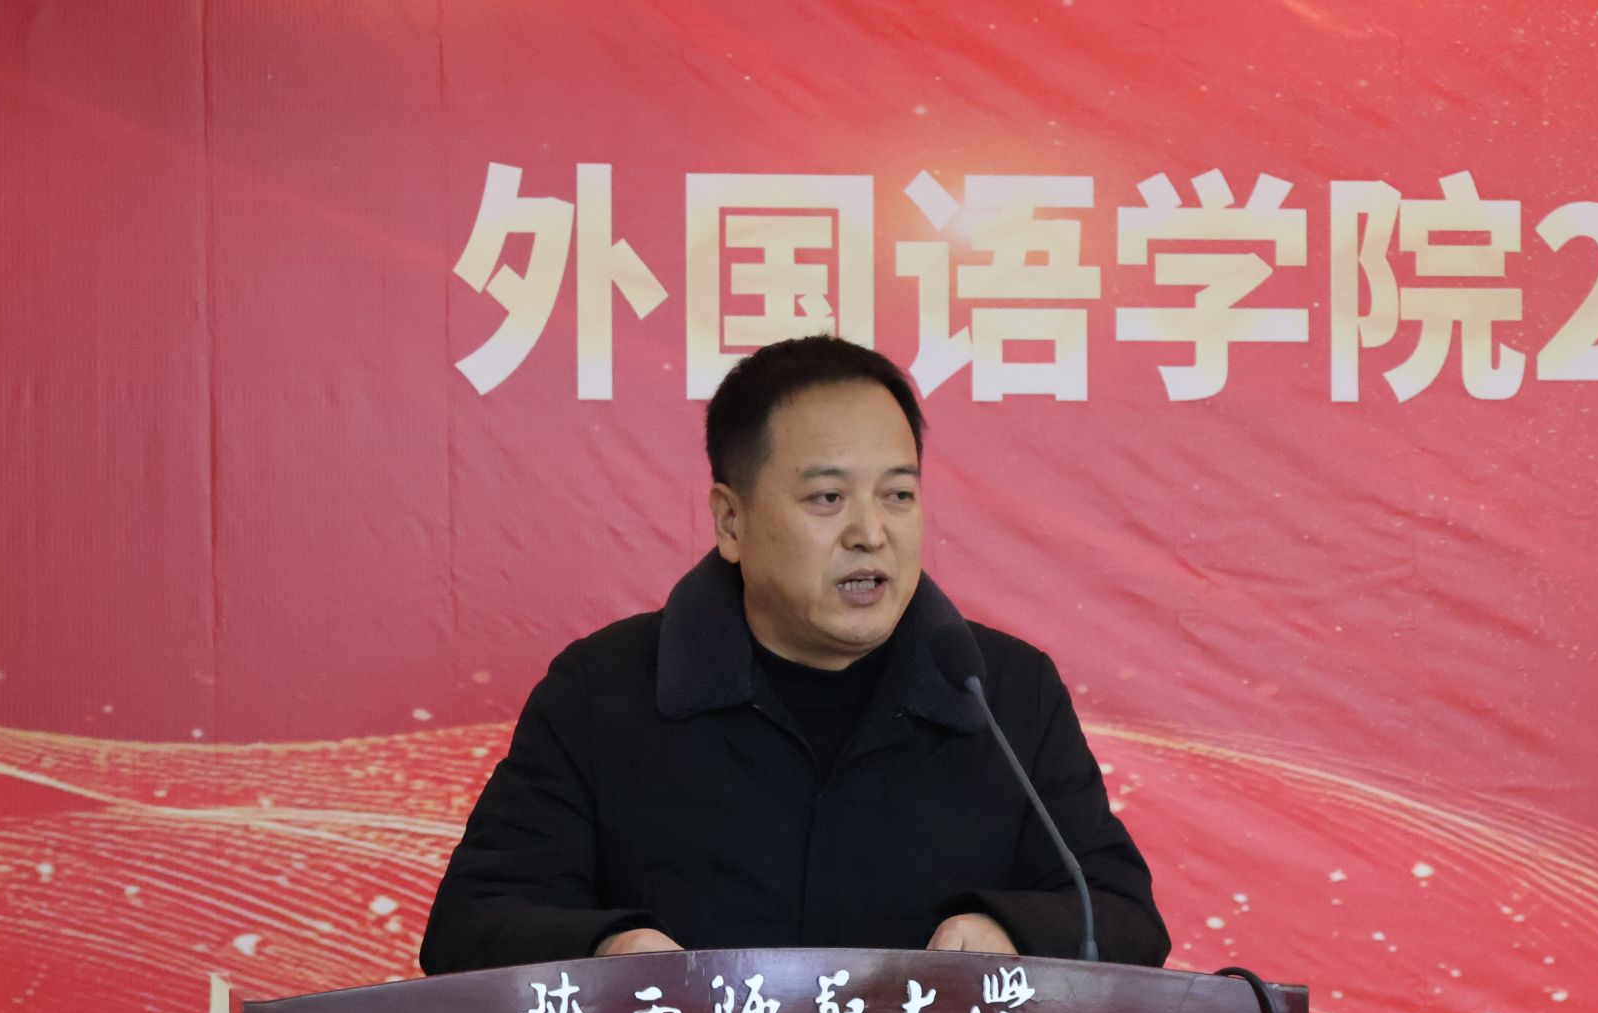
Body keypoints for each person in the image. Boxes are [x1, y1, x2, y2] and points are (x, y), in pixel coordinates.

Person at [419, 336, 1168, 973]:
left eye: (898, 495)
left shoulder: (1003, 692)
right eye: (827, 499)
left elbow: (1124, 916)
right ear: (731, 520)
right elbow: (470, 926)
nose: (871, 534)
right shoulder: (603, 691)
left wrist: (1009, 932)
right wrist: (609, 950)